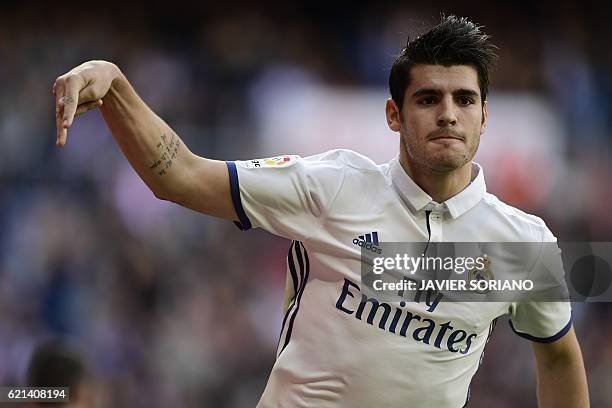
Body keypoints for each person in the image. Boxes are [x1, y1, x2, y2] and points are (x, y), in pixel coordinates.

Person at [53, 15, 589, 408]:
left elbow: (560, 355)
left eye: (463, 100)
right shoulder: (332, 187)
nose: (448, 114)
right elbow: (180, 177)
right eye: (427, 99)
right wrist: (115, 85)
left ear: (484, 116)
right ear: (393, 115)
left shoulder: (525, 245)